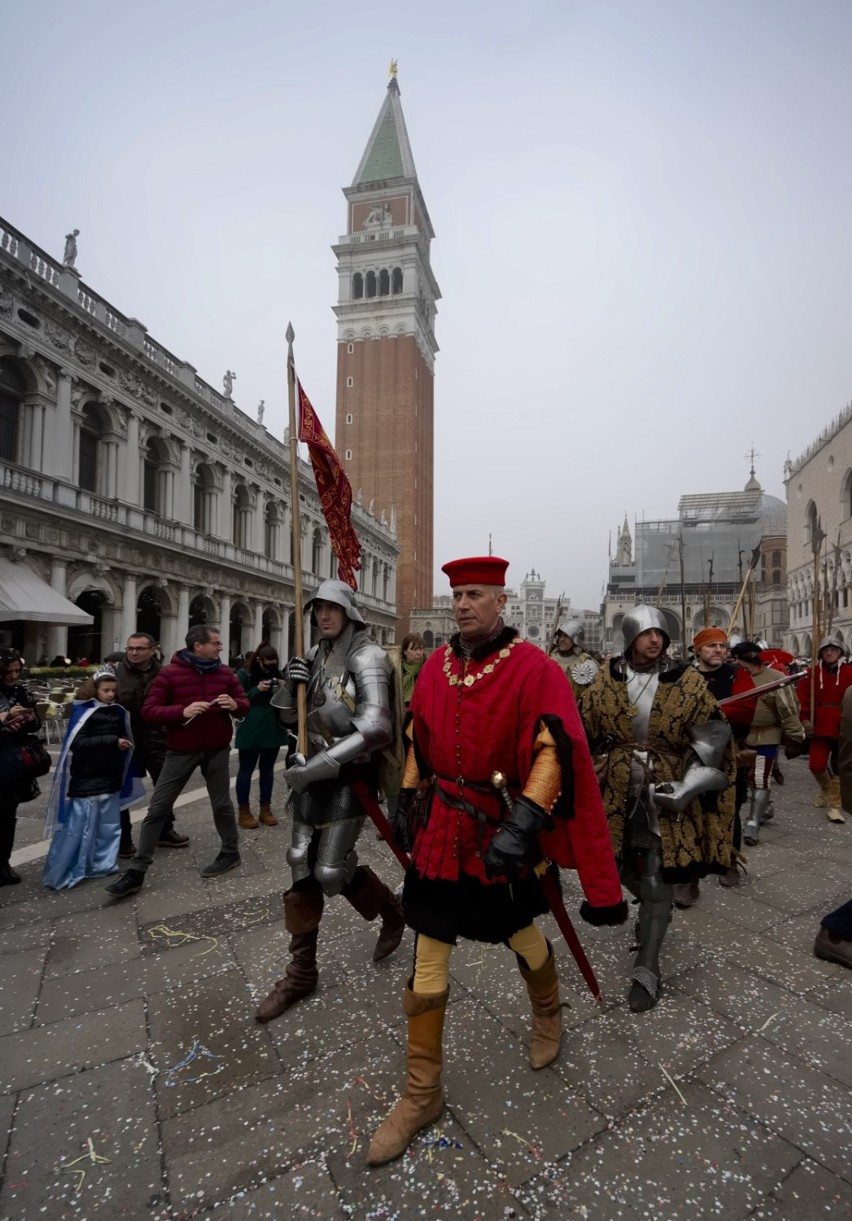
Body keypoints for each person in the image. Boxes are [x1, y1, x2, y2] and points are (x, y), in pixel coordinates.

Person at [367, 557, 626, 1168]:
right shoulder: (435, 663)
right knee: (429, 948)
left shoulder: (534, 667)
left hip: (502, 828)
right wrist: (408, 797)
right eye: (456, 594)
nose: (462, 604)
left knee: (520, 933)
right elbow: (419, 736)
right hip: (442, 829)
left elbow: (553, 747)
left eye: (475, 594)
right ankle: (421, 1092)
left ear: (503, 600)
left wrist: (526, 822)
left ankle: (547, 1013)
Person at [254, 580, 405, 1024]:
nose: (323, 616)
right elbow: (290, 717)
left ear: (350, 612)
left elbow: (376, 728)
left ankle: (393, 913)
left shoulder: (367, 655)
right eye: (317, 609)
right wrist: (289, 684)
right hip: (310, 771)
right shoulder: (317, 656)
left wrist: (312, 769)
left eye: (331, 608)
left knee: (330, 871)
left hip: (348, 775)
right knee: (299, 858)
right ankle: (301, 971)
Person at [579, 605, 736, 1015]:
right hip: (614, 791)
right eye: (647, 633)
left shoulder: (688, 682)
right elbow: (584, 732)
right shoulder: (603, 681)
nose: (655, 640)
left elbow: (713, 739)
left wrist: (686, 788)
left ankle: (647, 965)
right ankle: (651, 912)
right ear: (630, 636)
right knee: (613, 868)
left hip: (664, 790)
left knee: (656, 877)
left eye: (660, 634)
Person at [105, 625, 249, 899]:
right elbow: (150, 710)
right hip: (180, 749)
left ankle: (230, 852)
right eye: (216, 643)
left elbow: (243, 702)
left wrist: (235, 704)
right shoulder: (170, 673)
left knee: (221, 803)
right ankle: (137, 870)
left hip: (217, 747)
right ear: (199, 646)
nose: (220, 647)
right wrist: (181, 711)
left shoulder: (225, 672)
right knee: (158, 808)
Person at [42, 669, 144, 889]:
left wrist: (122, 742)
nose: (110, 694)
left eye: (113, 691)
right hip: (88, 773)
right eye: (105, 690)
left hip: (110, 772)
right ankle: (69, 868)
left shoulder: (115, 710)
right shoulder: (84, 711)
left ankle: (102, 863)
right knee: (80, 824)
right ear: (94, 690)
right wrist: (112, 741)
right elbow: (77, 743)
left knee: (108, 824)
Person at [675, 626, 755, 902]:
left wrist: (706, 711)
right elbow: (674, 710)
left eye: (722, 646)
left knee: (728, 811)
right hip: (691, 754)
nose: (718, 651)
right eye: (711, 646)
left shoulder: (737, 674)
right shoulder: (685, 676)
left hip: (728, 754)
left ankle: (728, 861)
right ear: (698, 650)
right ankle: (689, 877)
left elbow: (745, 708)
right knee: (690, 812)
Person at [113, 633, 189, 857]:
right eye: (130, 648)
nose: (134, 653)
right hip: (127, 741)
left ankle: (165, 830)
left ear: (153, 650)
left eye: (139, 648)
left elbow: (176, 704)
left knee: (164, 789)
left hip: (157, 739)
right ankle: (123, 839)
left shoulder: (165, 674)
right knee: (123, 791)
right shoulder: (115, 674)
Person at [729, 641, 806, 846]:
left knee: (761, 778)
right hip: (741, 737)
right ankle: (765, 808)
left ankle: (753, 822)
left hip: (767, 735)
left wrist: (795, 737)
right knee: (745, 780)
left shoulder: (775, 678)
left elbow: (788, 709)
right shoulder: (735, 677)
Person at [0, 648, 45, 885]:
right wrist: (6, 717)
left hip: (13, 761)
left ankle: (3, 863)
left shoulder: (21, 690)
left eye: (17, 671)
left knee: (8, 815)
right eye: (8, 671)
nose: (14, 676)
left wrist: (27, 718)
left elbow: (36, 723)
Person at [797, 634, 852, 824]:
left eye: (833, 649)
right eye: (826, 650)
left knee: (839, 767)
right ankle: (827, 789)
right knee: (816, 765)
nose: (829, 652)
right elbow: (801, 699)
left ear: (840, 652)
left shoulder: (849, 673)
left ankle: (834, 807)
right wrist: (804, 720)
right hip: (819, 724)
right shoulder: (811, 673)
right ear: (820, 653)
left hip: (843, 725)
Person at [234, 643, 289, 828]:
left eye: (274, 664)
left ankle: (266, 809)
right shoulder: (245, 674)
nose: (271, 668)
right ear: (259, 660)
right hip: (251, 727)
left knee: (267, 770)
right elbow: (237, 700)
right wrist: (257, 690)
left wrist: (284, 687)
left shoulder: (278, 673)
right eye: (268, 664)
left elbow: (287, 699)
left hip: (272, 727)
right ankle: (244, 811)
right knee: (246, 770)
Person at [550, 616, 600, 703]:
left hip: (576, 714)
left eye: (566, 636)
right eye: (560, 635)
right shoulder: (549, 659)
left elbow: (596, 697)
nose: (561, 639)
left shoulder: (587, 663)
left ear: (576, 639)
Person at [399, 633, 426, 706]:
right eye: (414, 649)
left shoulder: (428, 667)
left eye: (421, 649)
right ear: (405, 651)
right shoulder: (397, 669)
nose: (419, 653)